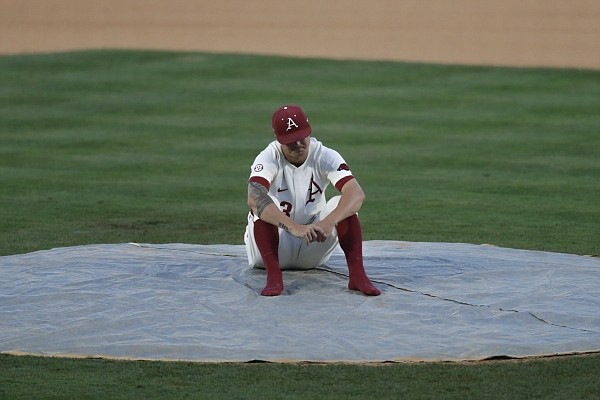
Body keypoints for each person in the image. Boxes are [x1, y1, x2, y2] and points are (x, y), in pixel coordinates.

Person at [244, 105, 381, 297]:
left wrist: (328, 223)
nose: (299, 143)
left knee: (341, 204)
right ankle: (274, 278)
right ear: (279, 139)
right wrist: (293, 227)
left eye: (302, 136)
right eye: (291, 141)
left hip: (313, 243)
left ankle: (358, 276)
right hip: (273, 249)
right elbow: (254, 197)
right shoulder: (268, 157)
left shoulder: (325, 155)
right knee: (264, 202)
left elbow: (356, 193)